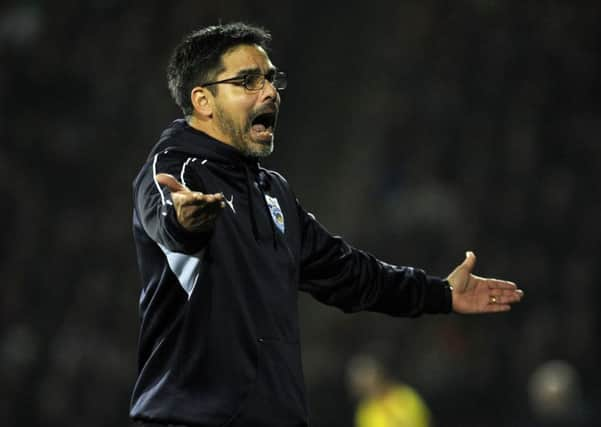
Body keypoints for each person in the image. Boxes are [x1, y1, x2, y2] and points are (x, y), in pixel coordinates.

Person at [130, 22, 524, 427]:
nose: (269, 92)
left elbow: (348, 273)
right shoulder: (174, 168)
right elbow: (167, 216)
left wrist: (438, 293)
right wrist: (183, 222)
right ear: (203, 100)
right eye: (247, 81)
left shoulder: (273, 191)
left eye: (270, 79)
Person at [347, 354, 431, 427]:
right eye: (364, 384)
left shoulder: (404, 394)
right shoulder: (365, 413)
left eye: (371, 379)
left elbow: (424, 419)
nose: (371, 387)